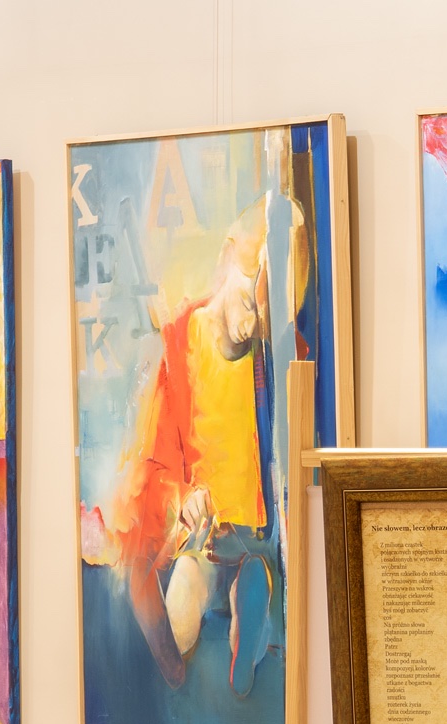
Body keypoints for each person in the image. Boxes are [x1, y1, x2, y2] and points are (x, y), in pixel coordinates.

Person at [101, 195, 309, 692]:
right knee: (183, 601)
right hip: (203, 538)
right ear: (226, 258)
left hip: (254, 535)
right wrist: (183, 498)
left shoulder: (275, 359)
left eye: (263, 319)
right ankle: (235, 614)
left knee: (253, 580)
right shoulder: (181, 343)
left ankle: (246, 624)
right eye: (247, 305)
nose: (250, 326)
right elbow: (157, 458)